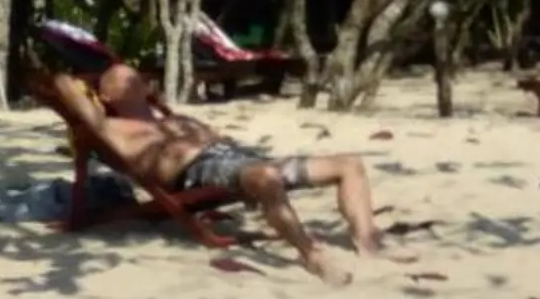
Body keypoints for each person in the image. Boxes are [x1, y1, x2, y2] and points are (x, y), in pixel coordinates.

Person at [75, 63, 389, 284]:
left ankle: (367, 242)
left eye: (136, 78)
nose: (133, 81)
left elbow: (224, 142)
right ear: (105, 96)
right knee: (266, 176)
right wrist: (77, 79)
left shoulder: (177, 118)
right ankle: (309, 253)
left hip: (241, 159)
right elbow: (65, 87)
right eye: (123, 80)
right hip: (200, 170)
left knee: (349, 164)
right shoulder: (112, 128)